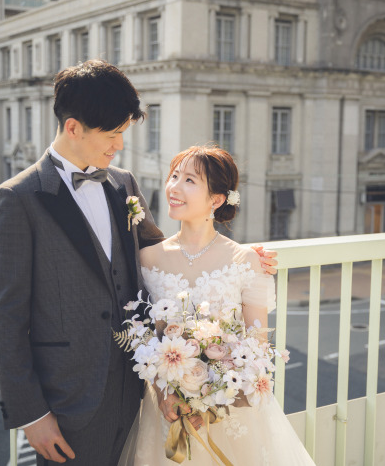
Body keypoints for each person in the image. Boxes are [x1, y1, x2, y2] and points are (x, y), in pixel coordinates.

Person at [0, 60, 276, 465]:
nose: (119, 145)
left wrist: (241, 256)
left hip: (138, 395)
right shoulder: (16, 199)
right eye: (113, 134)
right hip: (68, 404)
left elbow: (167, 253)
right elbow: (4, 317)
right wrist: (32, 413)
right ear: (73, 128)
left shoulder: (123, 184)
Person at [119, 145, 315, 466]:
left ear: (216, 200)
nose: (174, 187)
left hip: (230, 412)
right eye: (174, 176)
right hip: (166, 409)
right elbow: (148, 341)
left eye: (190, 180)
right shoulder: (148, 258)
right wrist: (165, 392)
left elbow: (257, 346)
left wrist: (212, 404)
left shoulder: (245, 260)